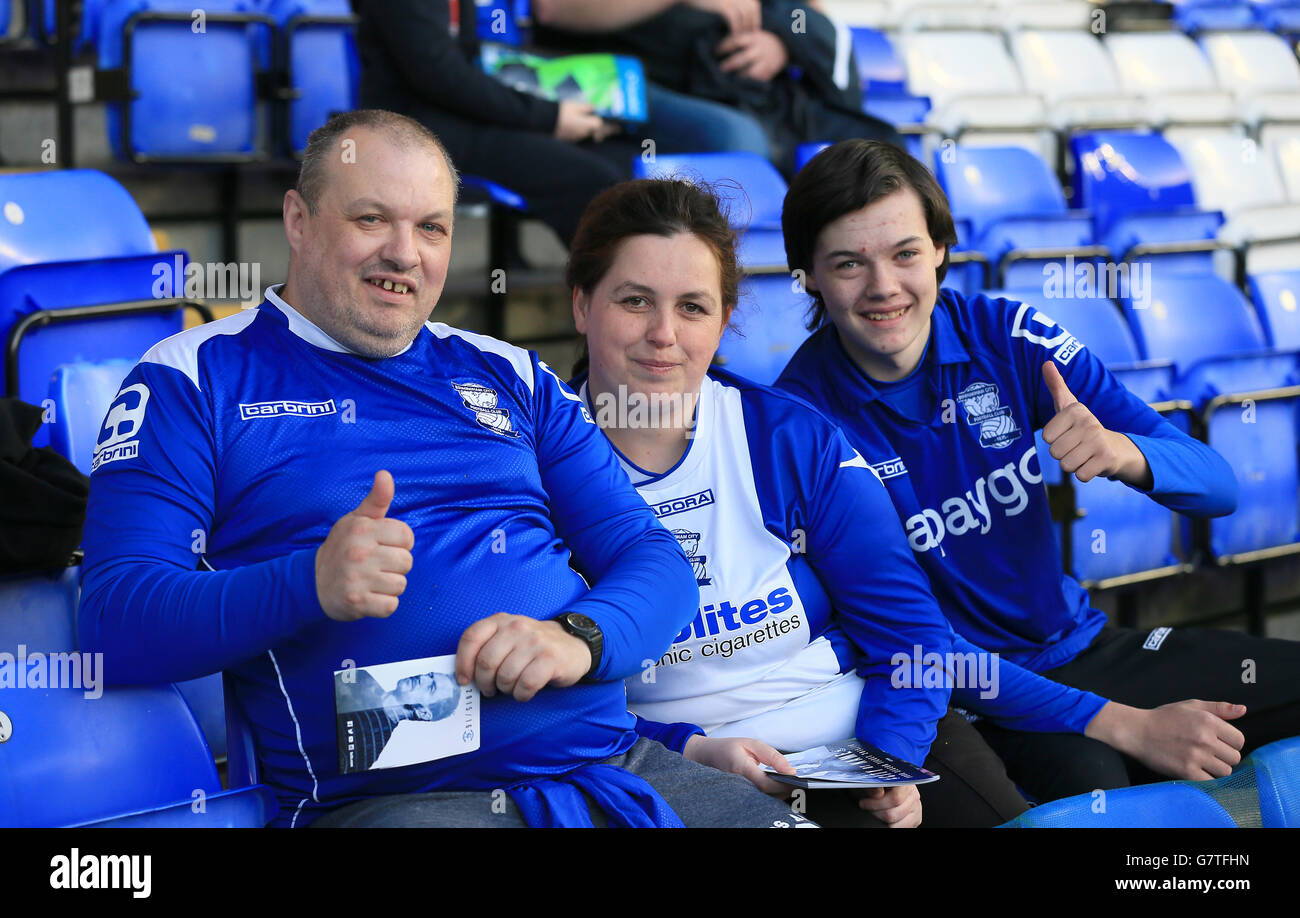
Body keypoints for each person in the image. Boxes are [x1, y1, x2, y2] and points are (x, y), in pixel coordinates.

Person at [76, 109, 814, 829]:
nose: (405, 253)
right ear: (298, 220)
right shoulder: (194, 376)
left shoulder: (508, 372)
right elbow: (112, 625)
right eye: (372, 220)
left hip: (615, 771)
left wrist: (577, 638)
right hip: (399, 803)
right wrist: (307, 584)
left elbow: (654, 560)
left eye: (431, 227)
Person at [775, 139, 1300, 802]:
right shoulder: (800, 423)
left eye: (906, 253)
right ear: (809, 276)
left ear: (940, 249)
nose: (884, 287)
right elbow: (918, 643)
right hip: (978, 695)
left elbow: (1217, 486)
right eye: (849, 264)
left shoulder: (1008, 334)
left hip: (1084, 647)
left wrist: (1127, 455)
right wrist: (1130, 728)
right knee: (1096, 797)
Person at [565, 177, 1033, 826]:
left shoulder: (789, 436)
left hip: (858, 730)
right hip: (671, 766)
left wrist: (887, 759)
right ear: (582, 306)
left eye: (694, 307)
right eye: (636, 301)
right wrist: (688, 749)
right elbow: (544, 701)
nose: (664, 334)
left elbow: (910, 635)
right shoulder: (531, 467)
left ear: (725, 320)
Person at [354, 0, 640, 245]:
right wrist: (549, 117)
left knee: (620, 161)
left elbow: (464, 68)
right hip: (417, 130)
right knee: (592, 180)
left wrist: (556, 113)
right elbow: (441, 77)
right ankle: (603, 299)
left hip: (460, 117)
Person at [531, 0, 902, 178]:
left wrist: (782, 41)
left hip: (751, 95)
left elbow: (808, 15)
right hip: (620, 80)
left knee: (882, 153)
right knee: (740, 142)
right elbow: (554, 8)